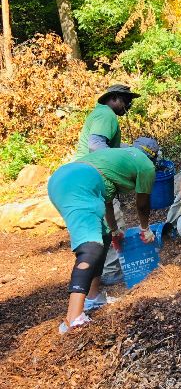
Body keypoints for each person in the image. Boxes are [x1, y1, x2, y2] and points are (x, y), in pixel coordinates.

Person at [48, 137, 159, 334]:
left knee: (103, 236)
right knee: (91, 247)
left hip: (64, 178)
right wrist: (145, 229)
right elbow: (142, 203)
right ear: (153, 157)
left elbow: (107, 199)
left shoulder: (119, 157)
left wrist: (114, 230)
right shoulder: (146, 166)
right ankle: (73, 318)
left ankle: (93, 298)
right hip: (78, 184)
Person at [75, 84, 141, 286]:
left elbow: (108, 145)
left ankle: (99, 272)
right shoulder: (106, 116)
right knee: (114, 223)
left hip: (83, 174)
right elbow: (96, 145)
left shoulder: (100, 114)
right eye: (126, 101)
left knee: (98, 225)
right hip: (94, 174)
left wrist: (131, 149)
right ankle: (111, 271)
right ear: (113, 98)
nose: (127, 106)